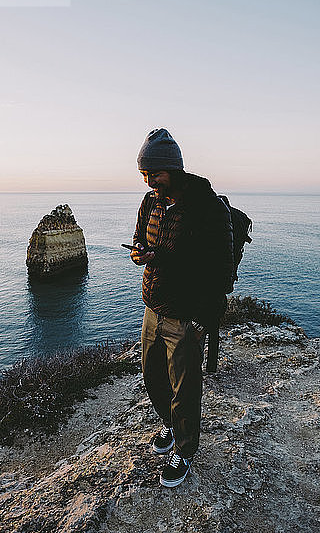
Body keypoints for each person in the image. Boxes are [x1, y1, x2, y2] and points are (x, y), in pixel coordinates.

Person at [130, 128, 234, 488]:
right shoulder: (150, 202)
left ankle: (185, 451)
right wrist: (139, 254)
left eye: (154, 174)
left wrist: (209, 309)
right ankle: (170, 425)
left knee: (185, 387)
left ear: (173, 169)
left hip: (186, 312)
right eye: (144, 174)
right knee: (151, 375)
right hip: (153, 306)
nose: (148, 181)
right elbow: (139, 239)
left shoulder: (204, 205)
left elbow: (218, 262)